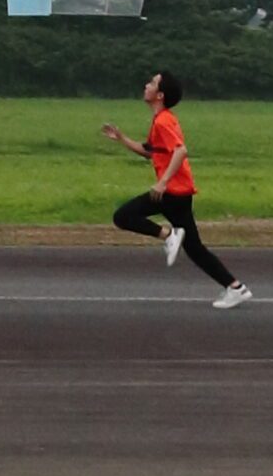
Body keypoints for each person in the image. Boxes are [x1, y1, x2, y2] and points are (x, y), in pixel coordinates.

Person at [103, 70, 252, 308]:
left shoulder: (163, 121)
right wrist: (122, 138)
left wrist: (162, 182)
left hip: (171, 192)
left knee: (123, 216)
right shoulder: (161, 120)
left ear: (159, 94)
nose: (146, 85)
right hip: (180, 193)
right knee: (194, 248)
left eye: (151, 83)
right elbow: (150, 151)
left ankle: (168, 235)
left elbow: (180, 151)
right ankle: (236, 288)